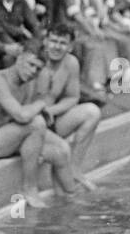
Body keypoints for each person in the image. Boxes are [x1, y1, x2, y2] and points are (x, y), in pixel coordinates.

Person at [0, 48, 76, 205]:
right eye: (30, 64)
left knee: (60, 152)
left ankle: (71, 198)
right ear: (19, 59)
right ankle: (29, 189)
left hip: (4, 137)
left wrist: (61, 144)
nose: (33, 71)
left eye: (38, 69)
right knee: (37, 124)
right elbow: (22, 116)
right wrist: (41, 104)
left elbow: (25, 117)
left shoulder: (27, 85)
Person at [34, 26, 103, 183]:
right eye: (53, 41)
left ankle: (75, 168)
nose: (56, 47)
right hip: (31, 123)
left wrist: (50, 111)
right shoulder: (35, 60)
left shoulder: (71, 63)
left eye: (62, 43)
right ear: (45, 41)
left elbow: (73, 97)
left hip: (50, 120)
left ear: (70, 46)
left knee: (93, 112)